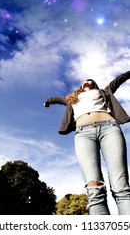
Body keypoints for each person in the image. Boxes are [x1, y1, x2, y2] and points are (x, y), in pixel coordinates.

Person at [44, 71, 130, 215]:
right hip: (83, 134)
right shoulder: (73, 98)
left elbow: (119, 79)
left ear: (94, 84)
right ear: (80, 86)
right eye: (84, 80)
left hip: (109, 128)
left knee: (121, 187)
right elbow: (58, 99)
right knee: (94, 189)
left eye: (90, 79)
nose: (87, 79)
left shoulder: (105, 91)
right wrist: (48, 101)